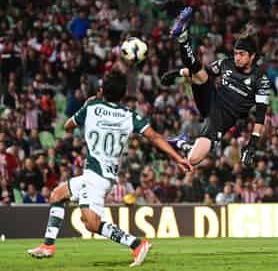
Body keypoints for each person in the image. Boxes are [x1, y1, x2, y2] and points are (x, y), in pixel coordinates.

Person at [28, 68, 192, 267]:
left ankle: (137, 244)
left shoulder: (92, 107)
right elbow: (155, 137)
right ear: (122, 94)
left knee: (91, 224)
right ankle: (48, 246)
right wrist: (177, 158)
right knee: (57, 195)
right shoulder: (129, 115)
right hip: (105, 175)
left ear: (102, 89)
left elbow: (68, 127)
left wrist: (88, 104)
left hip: (95, 176)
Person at [162, 7, 270, 167]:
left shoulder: (261, 81)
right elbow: (201, 72)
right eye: (235, 53)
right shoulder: (226, 63)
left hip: (222, 118)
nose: (237, 58)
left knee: (192, 160)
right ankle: (183, 38)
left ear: (252, 56)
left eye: (241, 54)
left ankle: (182, 143)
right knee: (201, 74)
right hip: (210, 100)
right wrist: (177, 72)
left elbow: (260, 116)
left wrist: (252, 143)